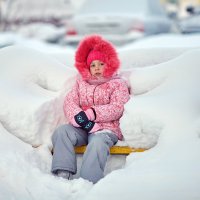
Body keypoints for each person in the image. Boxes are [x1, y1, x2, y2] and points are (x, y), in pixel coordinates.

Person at [51, 34, 130, 183]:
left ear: (109, 64)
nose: (97, 68)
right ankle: (63, 173)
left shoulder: (117, 84)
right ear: (87, 68)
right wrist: (81, 119)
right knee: (62, 132)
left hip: (106, 129)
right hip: (84, 127)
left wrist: (92, 114)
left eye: (101, 64)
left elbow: (117, 107)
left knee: (97, 142)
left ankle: (88, 181)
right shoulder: (82, 83)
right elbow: (70, 102)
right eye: (93, 65)